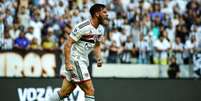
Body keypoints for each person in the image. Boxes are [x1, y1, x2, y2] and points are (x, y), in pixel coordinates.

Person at [48, 4, 109, 101]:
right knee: (90, 90)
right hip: (76, 60)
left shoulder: (101, 29)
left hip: (84, 61)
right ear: (97, 14)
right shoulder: (82, 27)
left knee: (64, 92)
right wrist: (67, 63)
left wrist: (99, 58)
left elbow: (97, 44)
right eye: (104, 12)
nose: (107, 14)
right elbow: (67, 44)